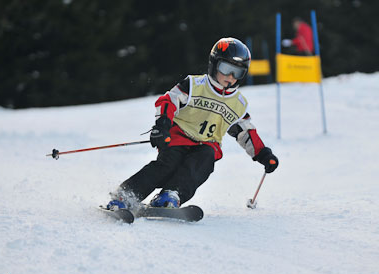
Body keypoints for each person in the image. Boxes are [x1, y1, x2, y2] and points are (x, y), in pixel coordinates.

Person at [107, 37, 279, 210]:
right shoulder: (194, 85)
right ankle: (126, 194)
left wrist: (263, 154)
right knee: (167, 165)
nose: (231, 77)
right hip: (177, 138)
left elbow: (246, 133)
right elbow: (169, 101)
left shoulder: (237, 103)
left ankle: (171, 195)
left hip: (207, 144)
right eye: (226, 69)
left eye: (238, 72)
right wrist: (162, 126)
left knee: (202, 163)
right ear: (214, 64)